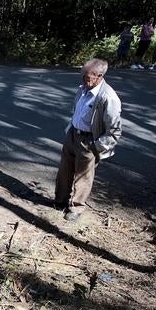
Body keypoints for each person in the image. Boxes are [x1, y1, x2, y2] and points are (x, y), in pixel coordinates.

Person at [54, 58, 122, 221]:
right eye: (83, 75)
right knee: (64, 171)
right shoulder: (82, 88)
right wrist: (70, 129)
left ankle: (76, 208)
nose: (83, 80)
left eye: (87, 77)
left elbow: (115, 130)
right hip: (72, 135)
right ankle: (60, 200)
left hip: (89, 141)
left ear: (99, 76)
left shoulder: (108, 97)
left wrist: (97, 146)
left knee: (83, 177)